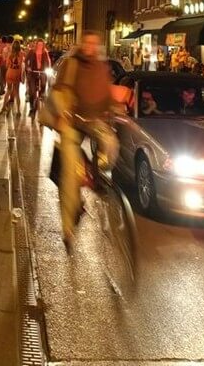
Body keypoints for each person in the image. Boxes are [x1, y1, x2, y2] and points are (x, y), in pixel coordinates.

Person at [51, 31, 119, 251]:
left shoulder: (101, 67)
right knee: (69, 176)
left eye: (94, 43)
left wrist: (115, 109)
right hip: (72, 121)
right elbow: (59, 91)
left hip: (93, 120)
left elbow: (106, 93)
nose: (90, 47)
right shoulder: (70, 64)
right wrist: (62, 113)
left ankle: (93, 170)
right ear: (82, 45)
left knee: (111, 143)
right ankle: (68, 227)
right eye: (87, 43)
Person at [4, 41, 24, 109]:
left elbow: (7, 65)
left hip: (10, 73)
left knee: (8, 90)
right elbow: (21, 65)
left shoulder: (10, 54)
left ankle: (4, 106)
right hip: (17, 74)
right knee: (17, 92)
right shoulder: (21, 54)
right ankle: (18, 110)